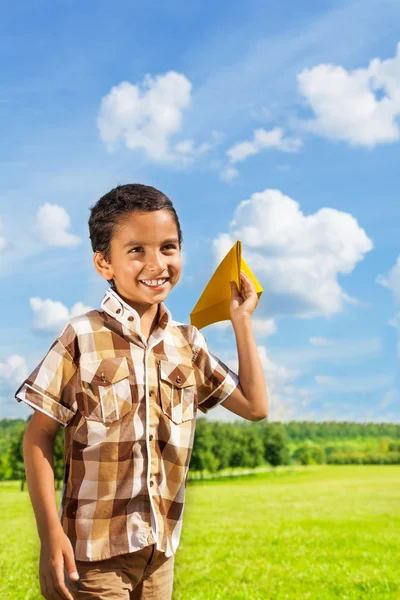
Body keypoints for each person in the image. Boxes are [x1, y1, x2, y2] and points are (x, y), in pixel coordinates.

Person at [14, 183, 268, 600]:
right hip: (93, 556)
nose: (157, 263)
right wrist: (50, 536)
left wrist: (240, 320)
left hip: (160, 554)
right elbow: (38, 436)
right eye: (137, 250)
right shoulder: (82, 335)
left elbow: (256, 407)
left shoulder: (188, 343)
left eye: (168, 247)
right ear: (104, 263)